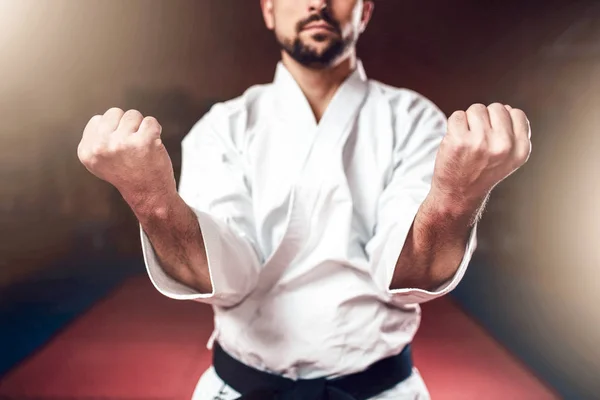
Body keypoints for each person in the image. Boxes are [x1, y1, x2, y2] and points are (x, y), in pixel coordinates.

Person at [77, 0, 532, 398]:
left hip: (378, 390)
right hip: (242, 387)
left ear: (365, 11)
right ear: (269, 9)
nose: (317, 2)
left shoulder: (413, 119)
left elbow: (408, 277)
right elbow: (223, 276)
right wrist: (150, 197)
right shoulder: (225, 126)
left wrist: (458, 197)